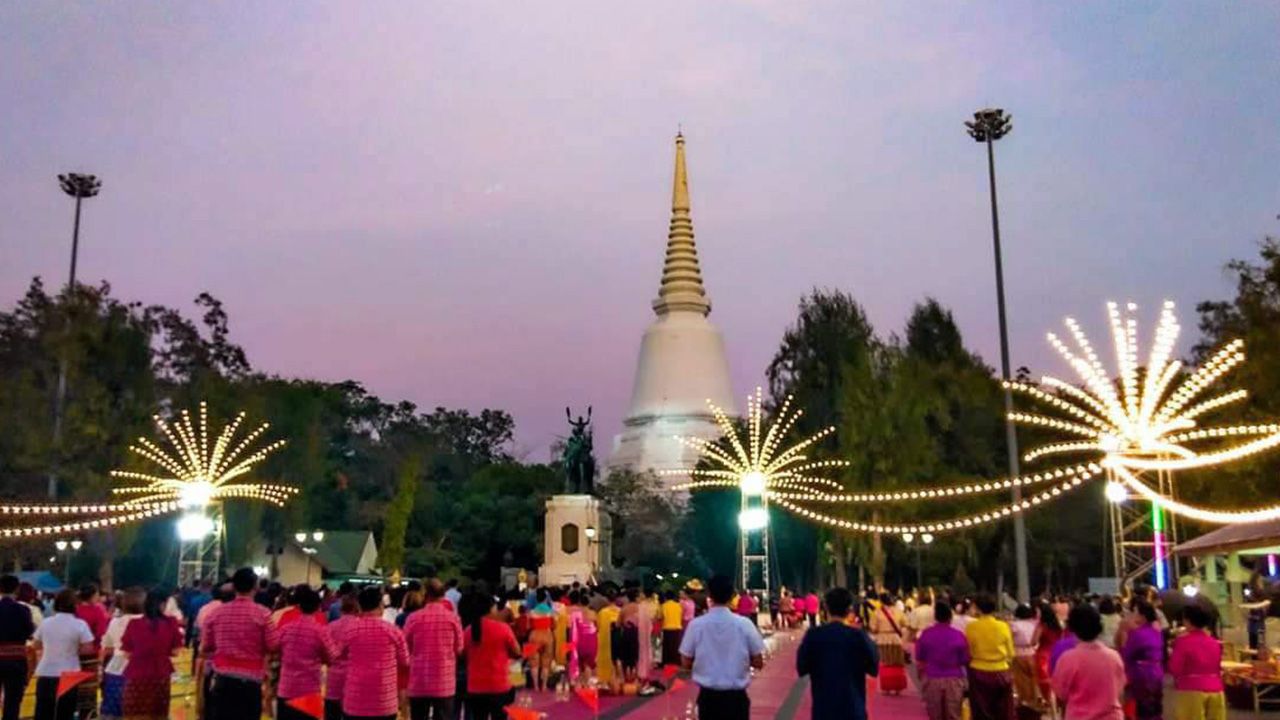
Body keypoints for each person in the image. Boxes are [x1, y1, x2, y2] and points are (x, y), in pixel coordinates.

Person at [679, 574, 766, 720]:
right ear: (732, 596)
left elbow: (685, 662)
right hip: (736, 699)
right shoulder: (745, 624)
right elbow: (758, 662)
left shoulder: (697, 625)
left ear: (709, 595)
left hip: (708, 699)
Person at [797, 587, 878, 720]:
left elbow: (802, 668)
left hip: (824, 708)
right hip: (853, 707)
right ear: (849, 609)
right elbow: (873, 667)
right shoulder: (858, 636)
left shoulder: (813, 635)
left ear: (826, 607)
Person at [203, 567, 273, 720]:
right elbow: (272, 646)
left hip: (223, 679)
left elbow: (206, 646)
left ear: (233, 587)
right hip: (251, 682)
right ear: (256, 587)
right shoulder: (263, 614)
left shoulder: (216, 613)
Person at [336, 586, 409, 720]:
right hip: (385, 702)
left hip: (355, 702)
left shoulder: (350, 631)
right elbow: (405, 661)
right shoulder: (393, 631)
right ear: (381, 605)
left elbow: (338, 656)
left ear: (359, 606)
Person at [270, 585, 336, 720]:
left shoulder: (286, 629)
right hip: (309, 690)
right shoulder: (320, 631)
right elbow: (332, 656)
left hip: (286, 688)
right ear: (318, 607)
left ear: (298, 607)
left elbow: (273, 648)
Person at [403, 579, 464, 720]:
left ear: (426, 594)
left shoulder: (413, 618)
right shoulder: (453, 619)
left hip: (419, 681)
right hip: (444, 681)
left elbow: (405, 646)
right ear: (443, 595)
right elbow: (459, 649)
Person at [1051, 604, 1125, 720]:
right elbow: (1119, 690)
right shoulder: (1114, 656)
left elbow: (1060, 692)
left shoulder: (1068, 659)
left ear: (1072, 628)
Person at [119, 589, 183, 720]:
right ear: (162, 605)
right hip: (160, 674)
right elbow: (176, 652)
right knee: (157, 712)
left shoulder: (134, 624)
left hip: (136, 674)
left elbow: (127, 653)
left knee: (135, 713)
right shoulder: (171, 623)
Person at [31, 589, 93, 720]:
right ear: (75, 605)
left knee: (43, 710)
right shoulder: (80, 625)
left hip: (46, 670)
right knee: (65, 711)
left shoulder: (46, 622)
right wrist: (74, 650)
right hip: (69, 672)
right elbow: (88, 648)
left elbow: (36, 645)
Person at [463, 591, 521, 720]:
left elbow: (462, 653)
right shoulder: (503, 628)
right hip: (498, 686)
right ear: (490, 608)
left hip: (475, 687)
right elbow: (517, 652)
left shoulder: (468, 630)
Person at [915, 601, 970, 720]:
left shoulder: (926, 634)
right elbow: (965, 659)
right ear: (950, 617)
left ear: (935, 617)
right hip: (954, 679)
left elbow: (920, 657)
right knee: (954, 714)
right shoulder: (959, 635)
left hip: (932, 677)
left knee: (934, 714)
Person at [1168, 605, 1225, 720]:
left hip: (1191, 689)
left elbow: (1175, 668)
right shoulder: (1214, 642)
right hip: (1216, 688)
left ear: (1188, 621)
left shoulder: (1183, 642)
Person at [965, 594, 1015, 720]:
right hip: (1001, 671)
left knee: (981, 711)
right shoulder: (1003, 626)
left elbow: (968, 652)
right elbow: (1011, 653)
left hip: (978, 671)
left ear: (977, 608)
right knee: (1003, 711)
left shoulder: (971, 627)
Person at [100, 587, 145, 720]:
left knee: (113, 711)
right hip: (141, 669)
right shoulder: (148, 622)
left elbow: (107, 647)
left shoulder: (115, 621)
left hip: (116, 667)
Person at [0, 574, 35, 720]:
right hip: (16, 659)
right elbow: (30, 632)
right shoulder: (23, 610)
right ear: (16, 589)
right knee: (13, 701)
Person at [1120, 601, 1163, 720]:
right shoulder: (1156, 632)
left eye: (1135, 612)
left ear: (1142, 616)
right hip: (1156, 672)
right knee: (1155, 708)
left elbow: (1126, 655)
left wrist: (1124, 635)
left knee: (1143, 710)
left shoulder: (1137, 634)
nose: (1133, 615)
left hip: (1142, 675)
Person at [323, 591, 360, 720]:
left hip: (334, 677)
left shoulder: (331, 626)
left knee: (332, 713)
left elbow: (326, 652)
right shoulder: (360, 626)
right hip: (354, 677)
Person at [868, 592, 907, 694]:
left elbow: (873, 628)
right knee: (897, 663)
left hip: (882, 639)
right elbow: (905, 623)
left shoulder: (877, 613)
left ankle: (887, 687)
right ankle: (898, 687)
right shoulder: (898, 611)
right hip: (896, 639)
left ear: (880, 601)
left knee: (885, 664)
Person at [1009, 604, 1043, 716]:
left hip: (1018, 654)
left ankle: (1025, 706)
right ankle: (1035, 703)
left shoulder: (1013, 625)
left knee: (1021, 683)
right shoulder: (1034, 624)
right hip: (1033, 653)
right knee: (1034, 681)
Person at [527, 589, 554, 692]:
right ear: (545, 598)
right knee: (546, 662)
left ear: (536, 599)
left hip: (534, 636)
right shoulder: (550, 612)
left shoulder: (532, 612)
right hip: (547, 635)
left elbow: (528, 626)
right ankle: (544, 685)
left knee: (533, 662)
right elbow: (554, 625)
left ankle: (535, 686)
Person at [660, 590, 684, 667]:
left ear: (666, 597)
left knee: (666, 646)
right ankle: (676, 661)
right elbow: (681, 615)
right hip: (677, 627)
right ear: (674, 597)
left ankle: (666, 661)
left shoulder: (663, 606)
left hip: (667, 628)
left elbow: (661, 617)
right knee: (676, 645)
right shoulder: (679, 605)